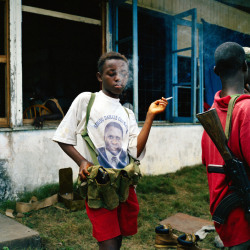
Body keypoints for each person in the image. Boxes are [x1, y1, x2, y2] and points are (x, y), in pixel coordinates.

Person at [53, 51, 169, 249]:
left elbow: (135, 152)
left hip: (124, 185)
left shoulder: (127, 112)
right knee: (108, 243)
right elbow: (63, 137)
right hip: (99, 186)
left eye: (123, 73)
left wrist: (150, 116)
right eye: (111, 73)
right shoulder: (87, 101)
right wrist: (82, 161)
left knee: (118, 239)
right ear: (100, 77)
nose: (118, 77)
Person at [201, 42, 250, 249]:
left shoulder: (212, 111)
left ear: (215, 71)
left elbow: (206, 159)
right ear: (245, 67)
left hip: (224, 212)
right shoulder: (246, 109)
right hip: (243, 219)